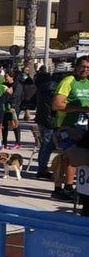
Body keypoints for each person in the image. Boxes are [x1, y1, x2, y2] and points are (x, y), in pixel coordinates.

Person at [51, 55, 89, 199]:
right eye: (82, 66)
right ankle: (58, 189)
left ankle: (69, 187)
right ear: (76, 67)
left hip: (83, 128)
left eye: (88, 68)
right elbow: (57, 104)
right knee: (64, 158)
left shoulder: (88, 83)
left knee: (76, 159)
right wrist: (82, 109)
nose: (85, 70)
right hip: (66, 126)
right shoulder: (68, 81)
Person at [34, 66, 59, 179]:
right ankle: (42, 169)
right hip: (50, 120)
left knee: (45, 145)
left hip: (42, 119)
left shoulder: (41, 88)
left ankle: (42, 167)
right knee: (47, 145)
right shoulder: (53, 88)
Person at [1, 69, 24, 149]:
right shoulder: (4, 84)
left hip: (14, 107)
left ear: (12, 77)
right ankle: (4, 142)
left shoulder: (17, 85)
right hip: (5, 107)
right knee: (4, 125)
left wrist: (13, 106)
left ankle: (18, 142)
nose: (5, 78)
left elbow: (16, 96)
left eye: (6, 76)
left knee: (15, 124)